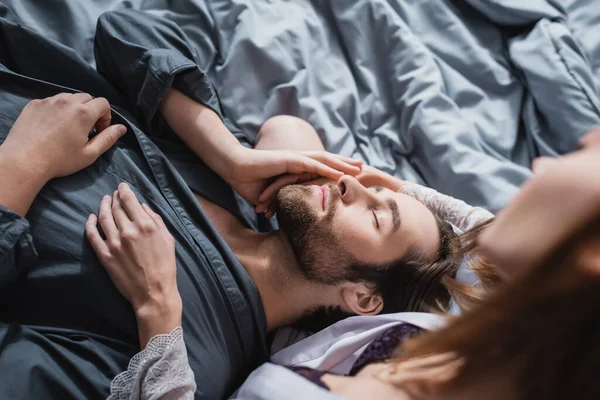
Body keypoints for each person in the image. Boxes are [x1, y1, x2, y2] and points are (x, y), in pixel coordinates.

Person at [0, 9, 490, 400]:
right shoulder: (237, 190)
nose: (351, 185)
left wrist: (20, 168)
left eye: (378, 215)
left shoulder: (184, 351)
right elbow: (126, 31)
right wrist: (228, 154)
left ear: (362, 299)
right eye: (372, 186)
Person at [233, 128, 600, 399]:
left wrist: (170, 309)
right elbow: (474, 228)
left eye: (581, 151)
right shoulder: (486, 317)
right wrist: (399, 191)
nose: (541, 164)